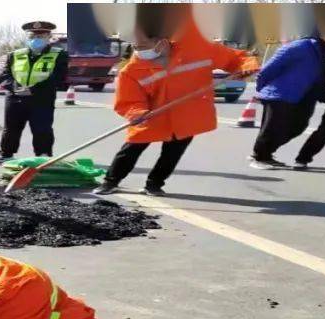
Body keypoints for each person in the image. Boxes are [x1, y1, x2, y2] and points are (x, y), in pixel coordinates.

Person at [93, 24, 258, 195]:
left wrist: (246, 67)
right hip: (151, 116)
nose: (138, 51)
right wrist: (138, 113)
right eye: (135, 47)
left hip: (186, 115)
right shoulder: (132, 71)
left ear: (162, 42)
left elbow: (237, 58)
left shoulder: (197, 51)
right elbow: (129, 100)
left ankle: (154, 184)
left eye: (142, 46)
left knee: (173, 153)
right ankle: (111, 181)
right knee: (132, 148)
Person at [251, 25, 325, 169]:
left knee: (298, 127)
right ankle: (259, 157)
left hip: (306, 97)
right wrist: (263, 89)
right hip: (282, 93)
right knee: (273, 128)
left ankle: (267, 154)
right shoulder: (301, 46)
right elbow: (269, 69)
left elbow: (323, 77)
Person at [0, 21, 68, 159]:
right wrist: (15, 87)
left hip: (42, 99)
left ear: (49, 36)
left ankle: (43, 156)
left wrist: (33, 90)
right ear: (27, 37)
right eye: (32, 35)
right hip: (15, 98)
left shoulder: (60, 55)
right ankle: (6, 154)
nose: (36, 39)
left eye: (41, 35)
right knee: (11, 129)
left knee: (42, 129)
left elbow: (59, 77)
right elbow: (4, 76)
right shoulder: (15, 55)